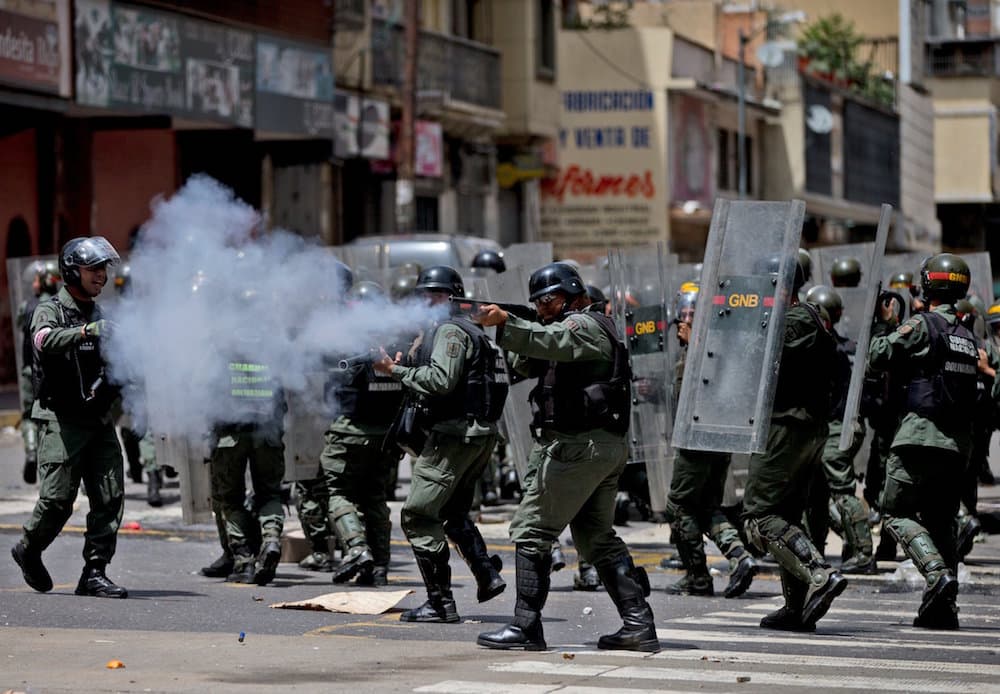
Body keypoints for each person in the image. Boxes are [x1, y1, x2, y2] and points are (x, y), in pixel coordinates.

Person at [475, 262, 658, 653]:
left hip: (579, 448)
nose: (541, 307)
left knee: (531, 530)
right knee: (597, 539)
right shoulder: (565, 328)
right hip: (594, 448)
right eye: (536, 303)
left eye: (547, 300)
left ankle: (526, 625)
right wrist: (520, 324)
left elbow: (552, 342)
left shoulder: (584, 325)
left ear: (573, 294)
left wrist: (509, 321)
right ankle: (638, 625)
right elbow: (527, 363)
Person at [373, 266, 508, 622]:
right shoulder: (466, 330)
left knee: (417, 515)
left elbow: (440, 380)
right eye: (423, 295)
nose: (426, 301)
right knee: (452, 512)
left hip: (455, 436)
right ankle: (487, 574)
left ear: (452, 297)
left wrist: (395, 371)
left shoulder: (450, 330)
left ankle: (440, 602)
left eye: (434, 294)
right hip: (473, 434)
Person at [11, 236, 129, 598]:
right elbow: (43, 341)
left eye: (103, 270)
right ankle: (28, 549)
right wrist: (84, 332)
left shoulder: (103, 315)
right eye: (93, 269)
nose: (101, 276)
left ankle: (94, 572)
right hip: (62, 419)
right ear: (72, 271)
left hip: (98, 418)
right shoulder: (50, 310)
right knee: (58, 499)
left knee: (110, 495)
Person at [868, 254, 980, 629]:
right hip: (956, 445)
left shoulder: (922, 324)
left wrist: (885, 325)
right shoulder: (965, 335)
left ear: (928, 285)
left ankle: (935, 574)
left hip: (919, 436)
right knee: (941, 522)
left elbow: (878, 356)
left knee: (895, 512)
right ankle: (942, 609)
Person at [742, 256, 846, 632]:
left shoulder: (794, 320)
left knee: (759, 518)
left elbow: (754, 356)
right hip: (803, 426)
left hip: (786, 427)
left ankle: (819, 573)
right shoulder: (809, 319)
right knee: (787, 518)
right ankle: (795, 609)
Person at [665, 281, 757, 598]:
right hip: (717, 440)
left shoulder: (704, 353)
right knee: (705, 506)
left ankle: (698, 577)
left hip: (698, 441)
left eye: (686, 317)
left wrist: (694, 350)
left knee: (679, 505)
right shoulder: (717, 346)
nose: (680, 324)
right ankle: (739, 555)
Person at [322, 279, 405, 586]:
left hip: (348, 430)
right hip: (384, 434)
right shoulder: (397, 343)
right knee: (375, 498)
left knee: (339, 493)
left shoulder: (345, 339)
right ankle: (380, 566)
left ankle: (357, 549)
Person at [209, 290, 288, 585]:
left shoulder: (221, 342)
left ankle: (243, 561)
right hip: (267, 432)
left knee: (230, 498)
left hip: (230, 434)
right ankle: (270, 539)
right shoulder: (273, 343)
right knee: (269, 493)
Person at [803, 285, 874, 574]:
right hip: (842, 425)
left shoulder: (826, 346)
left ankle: (863, 553)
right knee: (816, 493)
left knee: (842, 490)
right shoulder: (845, 346)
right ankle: (814, 550)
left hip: (835, 426)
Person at [15, 260, 61, 485]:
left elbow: (18, 324)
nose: (33, 284)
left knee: (28, 416)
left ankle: (32, 451)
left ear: (43, 282)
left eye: (35, 280)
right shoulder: (60, 305)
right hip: (52, 373)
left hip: (28, 371)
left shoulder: (27, 306)